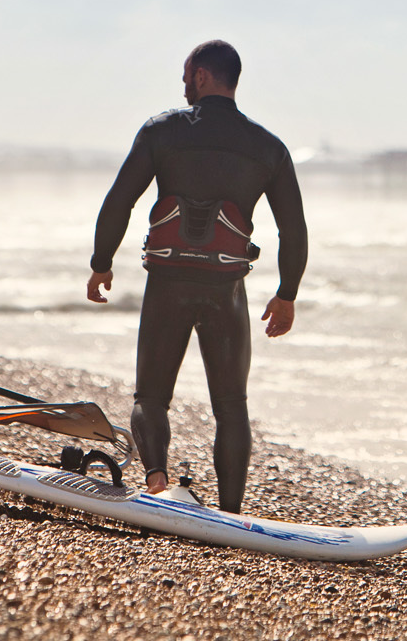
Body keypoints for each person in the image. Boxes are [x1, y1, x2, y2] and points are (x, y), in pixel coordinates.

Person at [86, 39, 307, 513]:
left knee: (151, 395)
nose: (184, 85)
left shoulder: (161, 131)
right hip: (225, 289)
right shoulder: (268, 147)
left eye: (187, 75)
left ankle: (156, 478)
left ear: (203, 76)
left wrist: (101, 262)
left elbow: (119, 201)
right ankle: (230, 512)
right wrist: (286, 294)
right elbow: (294, 229)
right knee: (231, 404)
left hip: (168, 281)